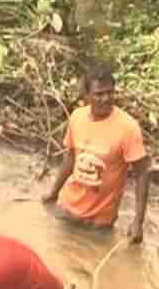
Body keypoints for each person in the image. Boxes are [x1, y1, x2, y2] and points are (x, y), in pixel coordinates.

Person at [41, 63, 150, 243]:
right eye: (99, 94)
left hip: (99, 222)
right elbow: (70, 158)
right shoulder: (77, 117)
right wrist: (53, 193)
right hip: (66, 208)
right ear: (87, 97)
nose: (106, 98)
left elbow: (142, 174)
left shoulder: (128, 127)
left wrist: (138, 222)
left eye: (110, 92)